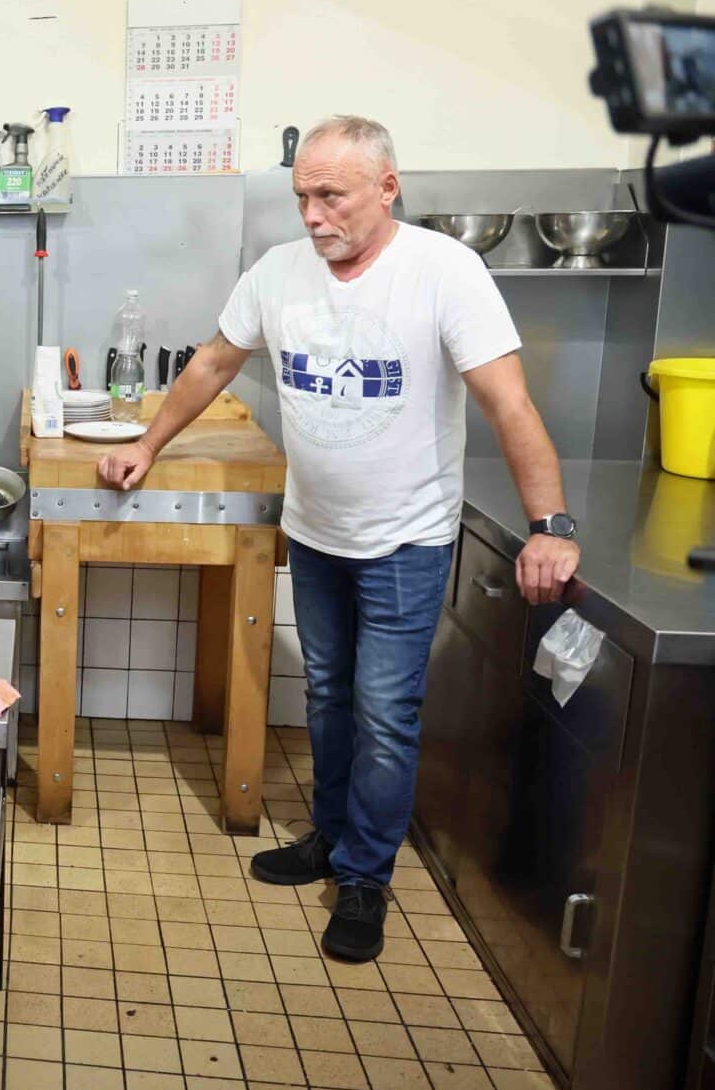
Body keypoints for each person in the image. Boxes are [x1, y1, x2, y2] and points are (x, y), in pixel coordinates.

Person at [98, 115, 580, 962]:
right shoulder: (278, 274)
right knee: (327, 697)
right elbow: (213, 362)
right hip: (315, 532)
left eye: (332, 196)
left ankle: (364, 878)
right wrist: (146, 442)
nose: (313, 216)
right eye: (302, 198)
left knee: (385, 715)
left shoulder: (444, 272)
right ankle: (329, 836)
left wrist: (552, 527)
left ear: (387, 188)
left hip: (407, 541)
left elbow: (510, 404)